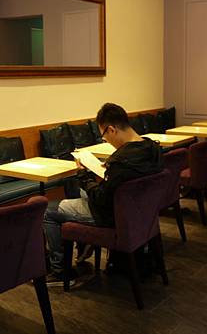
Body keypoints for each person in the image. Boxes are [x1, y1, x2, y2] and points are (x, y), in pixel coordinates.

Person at [43, 103, 164, 286]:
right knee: (80, 192)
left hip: (113, 215)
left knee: (48, 210)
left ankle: (59, 271)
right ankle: (84, 242)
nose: (106, 140)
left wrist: (84, 175)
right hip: (141, 212)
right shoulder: (152, 148)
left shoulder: (121, 161)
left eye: (104, 136)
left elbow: (101, 200)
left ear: (112, 129)